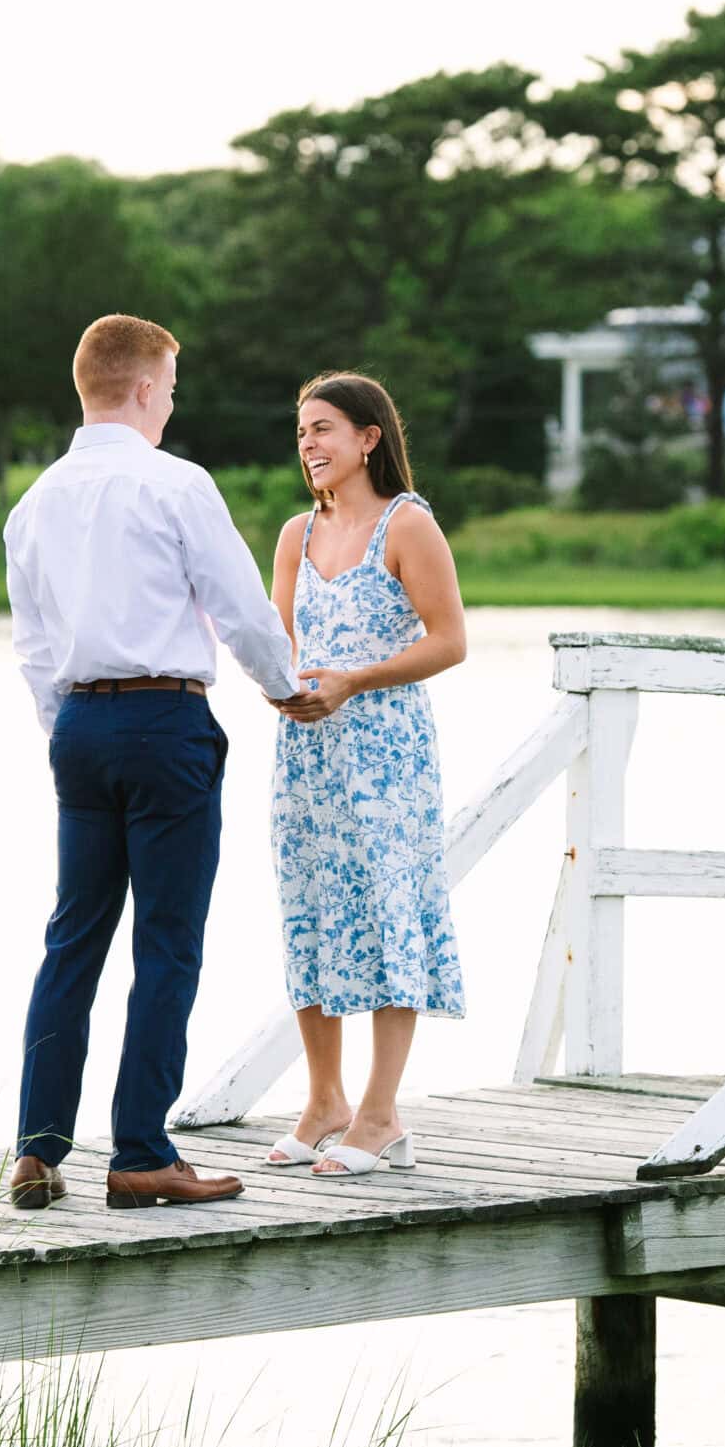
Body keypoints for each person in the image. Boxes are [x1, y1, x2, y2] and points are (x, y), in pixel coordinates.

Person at [2, 314, 302, 1211]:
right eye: (169, 389)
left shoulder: (35, 503)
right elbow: (242, 610)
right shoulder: (176, 485)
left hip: (78, 734)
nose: (171, 405)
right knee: (167, 945)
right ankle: (140, 1153)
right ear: (140, 388)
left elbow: (32, 647)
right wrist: (285, 685)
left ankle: (38, 1150)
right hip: (165, 722)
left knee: (72, 940)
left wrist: (70, 728)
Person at [264, 372, 469, 1178]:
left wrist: (354, 680)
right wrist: (284, 685)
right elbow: (278, 639)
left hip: (386, 751)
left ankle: (382, 1115)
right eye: (302, 431)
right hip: (306, 753)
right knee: (309, 909)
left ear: (368, 438)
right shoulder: (294, 535)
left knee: (389, 912)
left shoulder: (407, 524)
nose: (309, 444)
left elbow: (450, 641)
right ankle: (325, 1102)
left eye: (324, 430)